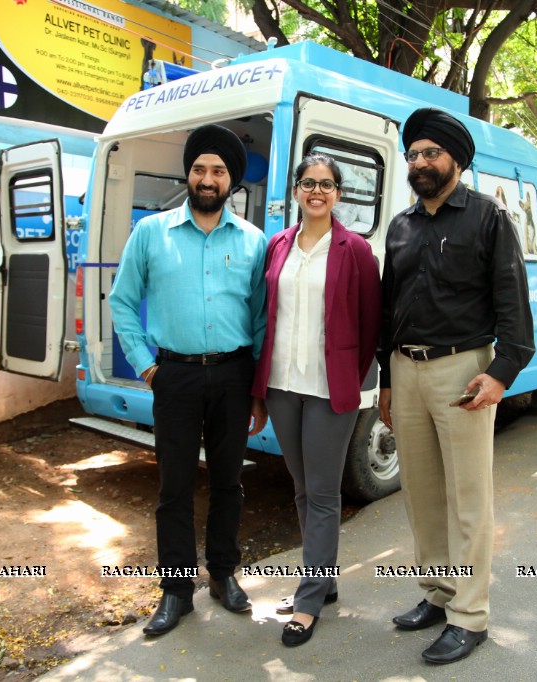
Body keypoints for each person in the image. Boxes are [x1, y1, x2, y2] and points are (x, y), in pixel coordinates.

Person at [377, 108, 535, 665]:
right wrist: (386, 380)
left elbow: (513, 302)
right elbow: (387, 306)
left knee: (468, 497)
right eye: (414, 154)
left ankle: (470, 615)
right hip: (405, 367)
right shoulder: (401, 225)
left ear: (456, 161)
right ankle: (439, 594)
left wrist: (502, 372)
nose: (420, 162)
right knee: (421, 494)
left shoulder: (488, 219)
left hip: (463, 369)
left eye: (431, 154)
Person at [109, 124, 268, 637]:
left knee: (228, 483)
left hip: (233, 374)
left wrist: (258, 388)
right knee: (173, 487)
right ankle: (177, 591)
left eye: (218, 170)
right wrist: (146, 364)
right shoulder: (151, 233)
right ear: (189, 174)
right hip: (173, 375)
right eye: (200, 168)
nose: (207, 178)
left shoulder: (253, 242)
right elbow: (122, 301)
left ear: (231, 181)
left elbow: (262, 319)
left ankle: (224, 575)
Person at [252, 153, 381, 647]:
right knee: (302, 488)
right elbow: (266, 316)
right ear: (297, 190)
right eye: (309, 183)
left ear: (338, 194)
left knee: (324, 494)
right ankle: (321, 581)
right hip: (282, 385)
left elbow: (371, 323)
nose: (317, 191)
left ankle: (308, 602)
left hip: (330, 390)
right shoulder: (278, 245)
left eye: (326, 184)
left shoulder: (355, 250)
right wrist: (258, 390)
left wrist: (351, 375)